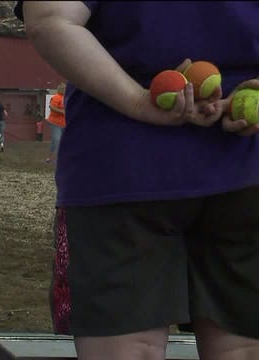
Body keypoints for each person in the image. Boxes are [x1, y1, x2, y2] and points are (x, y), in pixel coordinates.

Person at [18, 2, 259, 359]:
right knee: (243, 349)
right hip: (245, 167)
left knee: (129, 351)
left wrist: (137, 102)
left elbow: (50, 20)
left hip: (121, 169)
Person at [46, 83, 66, 164]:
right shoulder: (56, 97)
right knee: (57, 140)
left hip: (64, 124)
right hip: (55, 123)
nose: (65, 90)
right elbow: (51, 107)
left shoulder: (66, 98)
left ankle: (49, 158)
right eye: (64, 89)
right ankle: (57, 160)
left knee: (56, 141)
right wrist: (62, 111)